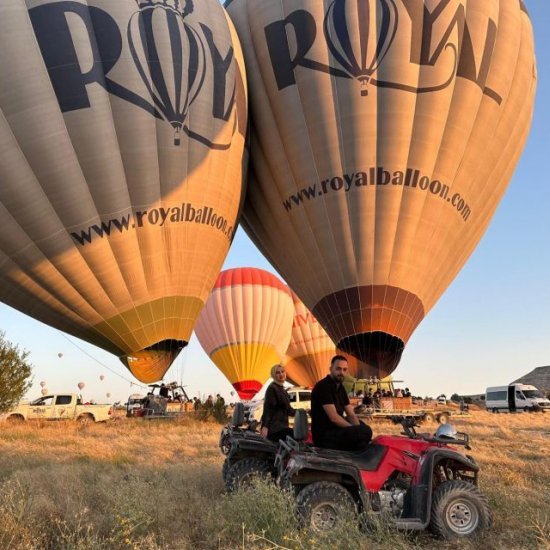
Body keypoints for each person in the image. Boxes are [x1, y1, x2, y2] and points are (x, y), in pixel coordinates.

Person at [311, 355, 372, 451]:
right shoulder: (323, 386)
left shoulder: (340, 388)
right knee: (364, 432)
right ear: (331, 369)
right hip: (325, 436)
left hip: (337, 430)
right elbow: (334, 418)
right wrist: (354, 431)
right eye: (338, 369)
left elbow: (351, 414)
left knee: (363, 428)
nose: (341, 372)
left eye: (344, 370)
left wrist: (357, 429)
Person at [260, 365, 296, 442]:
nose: (281, 374)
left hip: (282, 427)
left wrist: (302, 412)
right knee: (297, 437)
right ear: (273, 375)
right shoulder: (272, 388)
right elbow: (268, 409)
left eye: (282, 372)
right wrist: (265, 426)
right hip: (276, 429)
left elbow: (288, 410)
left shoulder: (282, 389)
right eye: (277, 373)